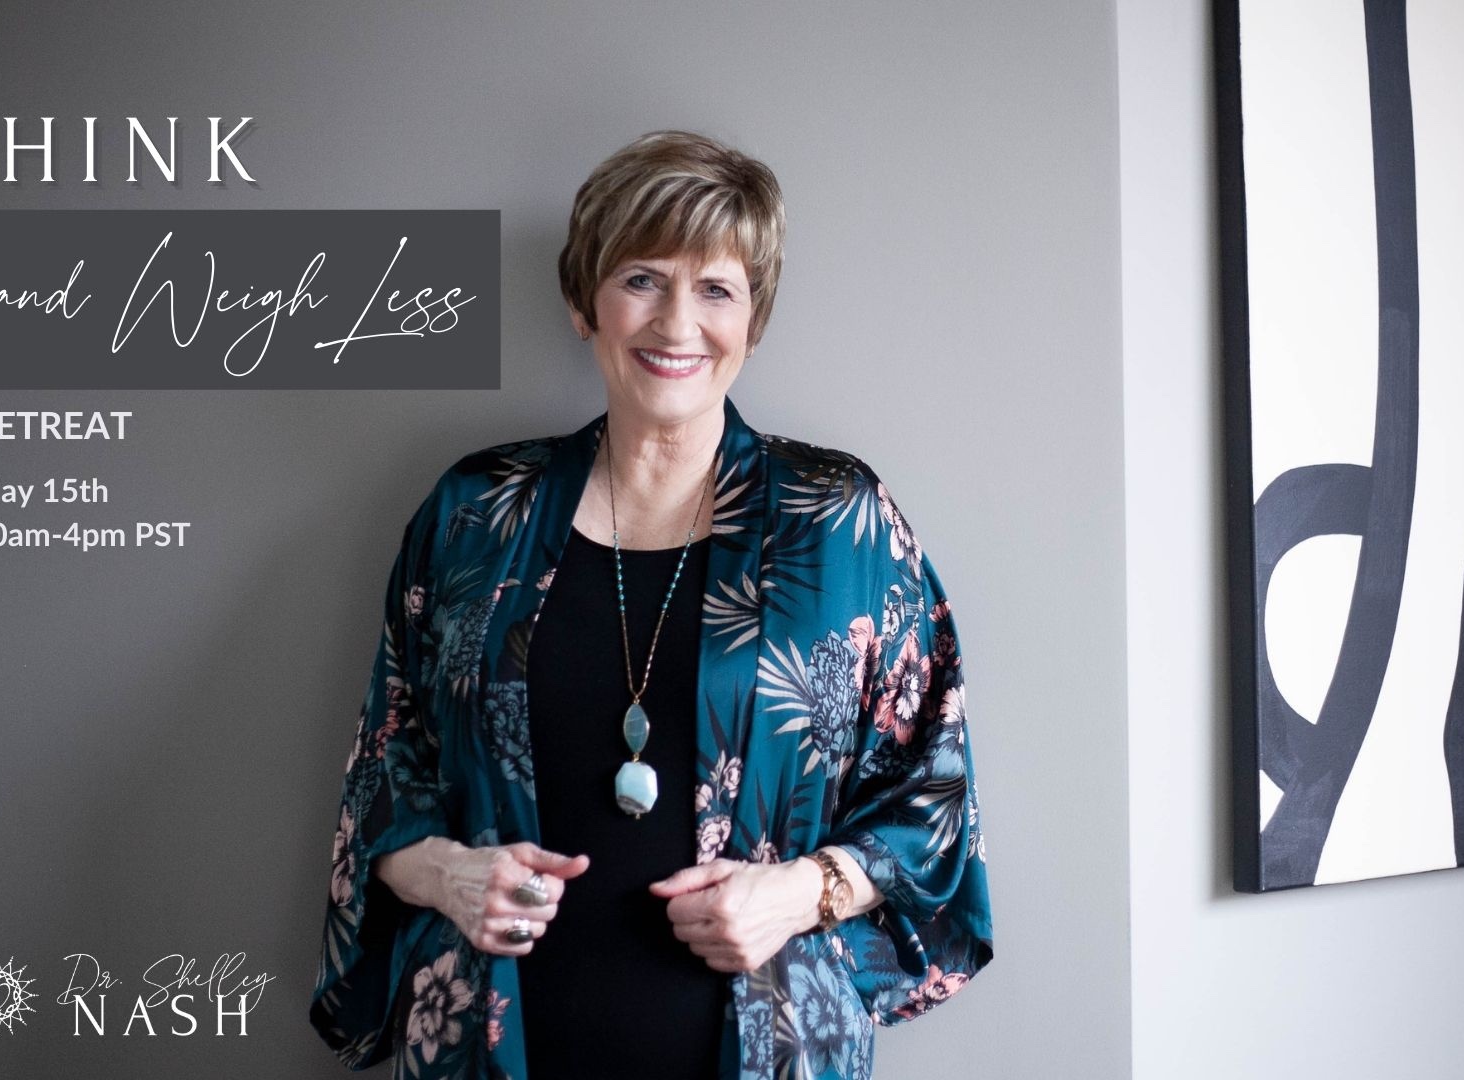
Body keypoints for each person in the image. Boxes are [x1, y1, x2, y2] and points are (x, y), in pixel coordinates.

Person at [309, 130, 992, 1080]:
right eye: (641, 279)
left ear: (754, 319)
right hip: (488, 1049)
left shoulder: (840, 524)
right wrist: (452, 876)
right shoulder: (475, 514)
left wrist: (797, 893)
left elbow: (934, 796)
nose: (677, 323)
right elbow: (384, 777)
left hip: (771, 1051)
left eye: (716, 289)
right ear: (582, 301)